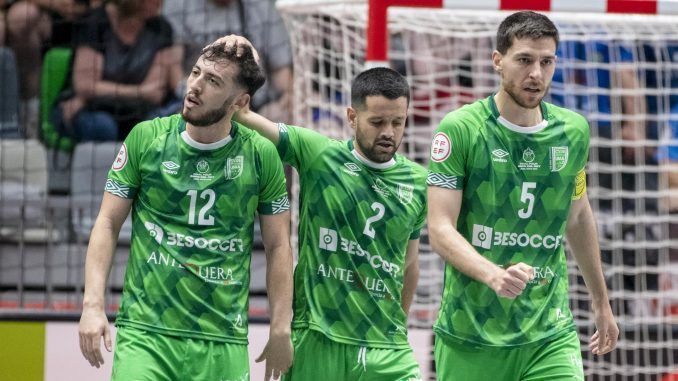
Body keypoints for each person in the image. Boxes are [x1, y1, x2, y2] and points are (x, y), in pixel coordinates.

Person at [77, 41, 294, 381]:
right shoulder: (146, 138)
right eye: (195, 73)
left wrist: (281, 325)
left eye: (213, 81)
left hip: (222, 340)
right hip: (146, 335)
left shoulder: (261, 155)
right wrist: (92, 305)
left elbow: (279, 246)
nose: (194, 86)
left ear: (240, 102)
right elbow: (106, 223)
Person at [426, 11, 619, 380]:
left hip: (549, 331)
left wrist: (601, 302)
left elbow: (577, 216)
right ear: (497, 61)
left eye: (546, 62)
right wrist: (493, 275)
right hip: (472, 333)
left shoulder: (573, 132)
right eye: (525, 60)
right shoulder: (461, 129)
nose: (536, 74)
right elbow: (439, 228)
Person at [225, 35, 426, 381]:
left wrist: (397, 326)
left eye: (398, 122)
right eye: (378, 122)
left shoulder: (420, 182)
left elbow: (410, 265)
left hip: (386, 348)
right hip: (318, 336)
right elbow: (242, 115)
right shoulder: (319, 153)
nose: (389, 133)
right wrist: (243, 49)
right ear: (352, 116)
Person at [52, 0, 183, 141]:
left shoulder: (161, 28)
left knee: (161, 126)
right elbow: (85, 87)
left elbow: (154, 93)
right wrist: (138, 92)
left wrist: (97, 92)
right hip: (89, 110)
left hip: (135, 112)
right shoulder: (95, 22)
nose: (160, 2)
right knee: (103, 126)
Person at [163, 0, 293, 121]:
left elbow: (281, 71)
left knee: (281, 115)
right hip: (198, 98)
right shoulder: (179, 4)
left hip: (257, 104)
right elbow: (174, 70)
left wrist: (287, 97)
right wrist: (198, 97)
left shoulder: (262, 5)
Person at [6, 0, 97, 137]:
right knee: (22, 16)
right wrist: (55, 4)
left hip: (88, 16)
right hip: (47, 15)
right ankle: (28, 118)